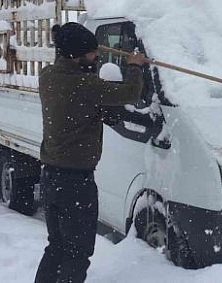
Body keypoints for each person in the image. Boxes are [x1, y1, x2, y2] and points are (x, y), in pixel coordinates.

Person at [35, 22, 146, 283]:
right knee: (77, 252)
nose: (97, 56)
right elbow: (130, 93)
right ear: (75, 56)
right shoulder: (85, 86)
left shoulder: (48, 76)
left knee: (57, 247)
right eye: (92, 53)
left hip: (51, 178)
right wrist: (134, 65)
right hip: (75, 184)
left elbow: (78, 77)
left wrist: (80, 52)